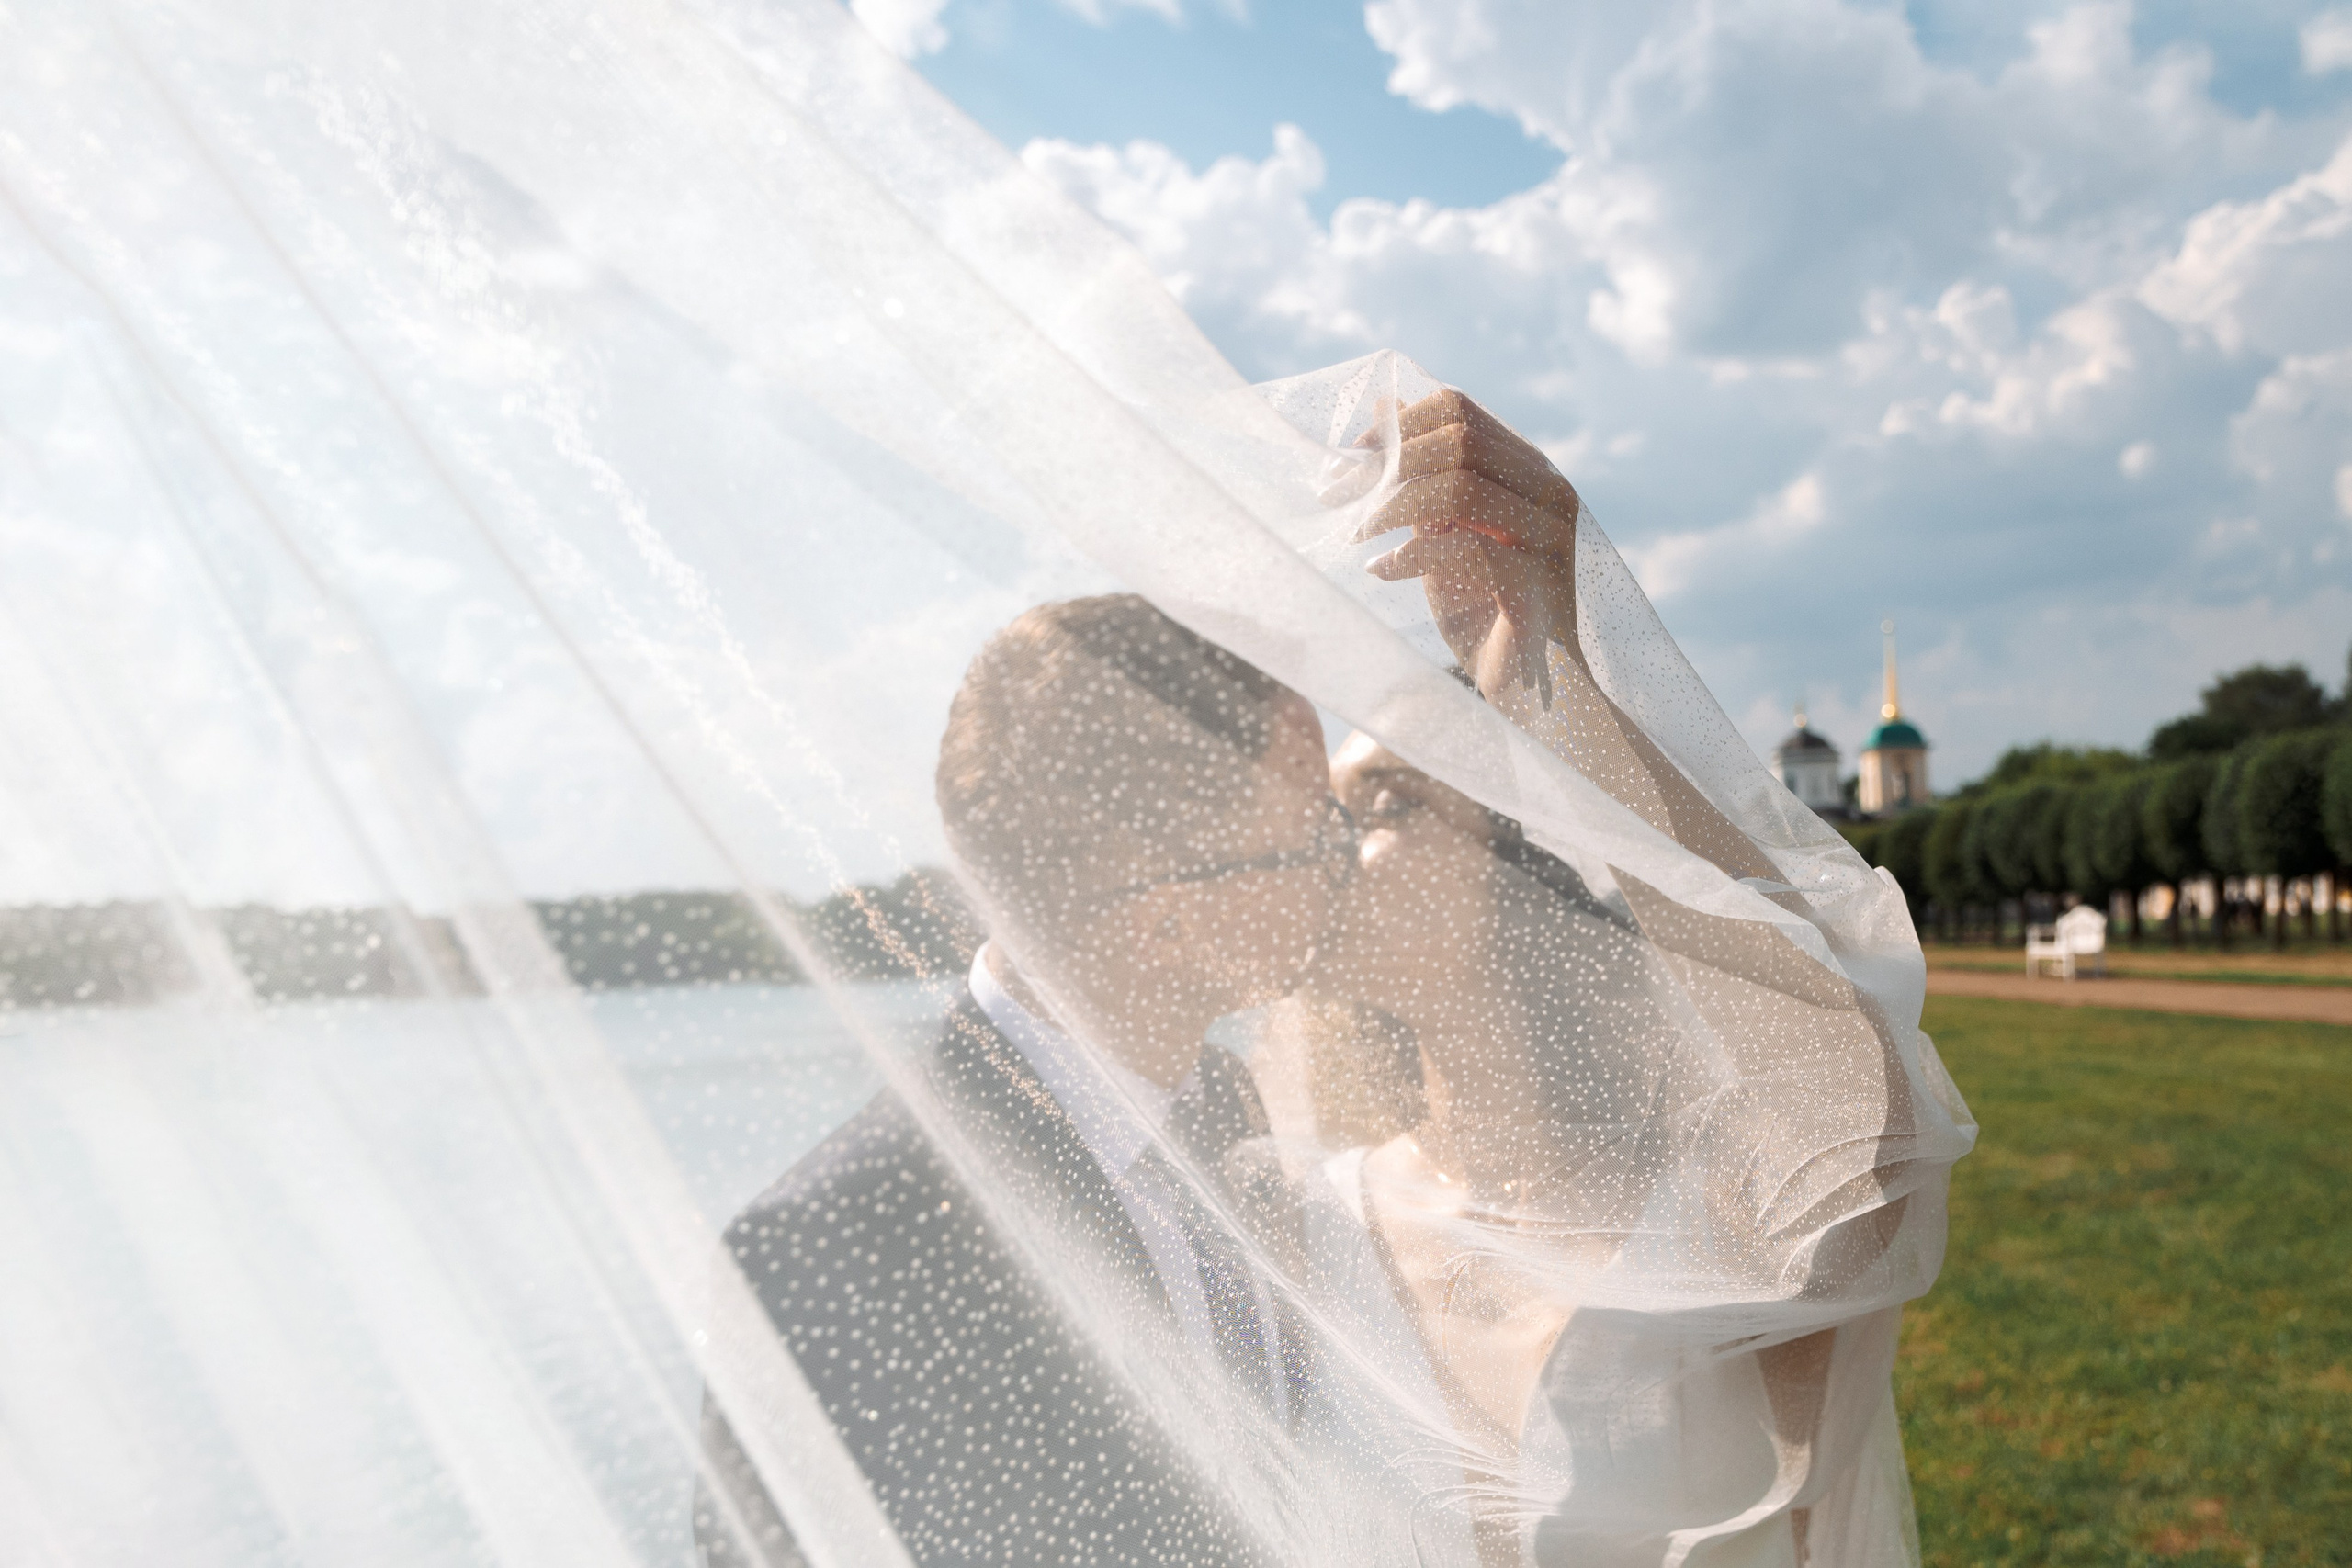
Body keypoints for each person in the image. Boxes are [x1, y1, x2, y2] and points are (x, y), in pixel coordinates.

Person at [695, 593, 1351, 1568]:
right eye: (1310, 836)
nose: (1342, 864)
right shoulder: (836, 1242)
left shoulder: (1227, 1103)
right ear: (1159, 919)